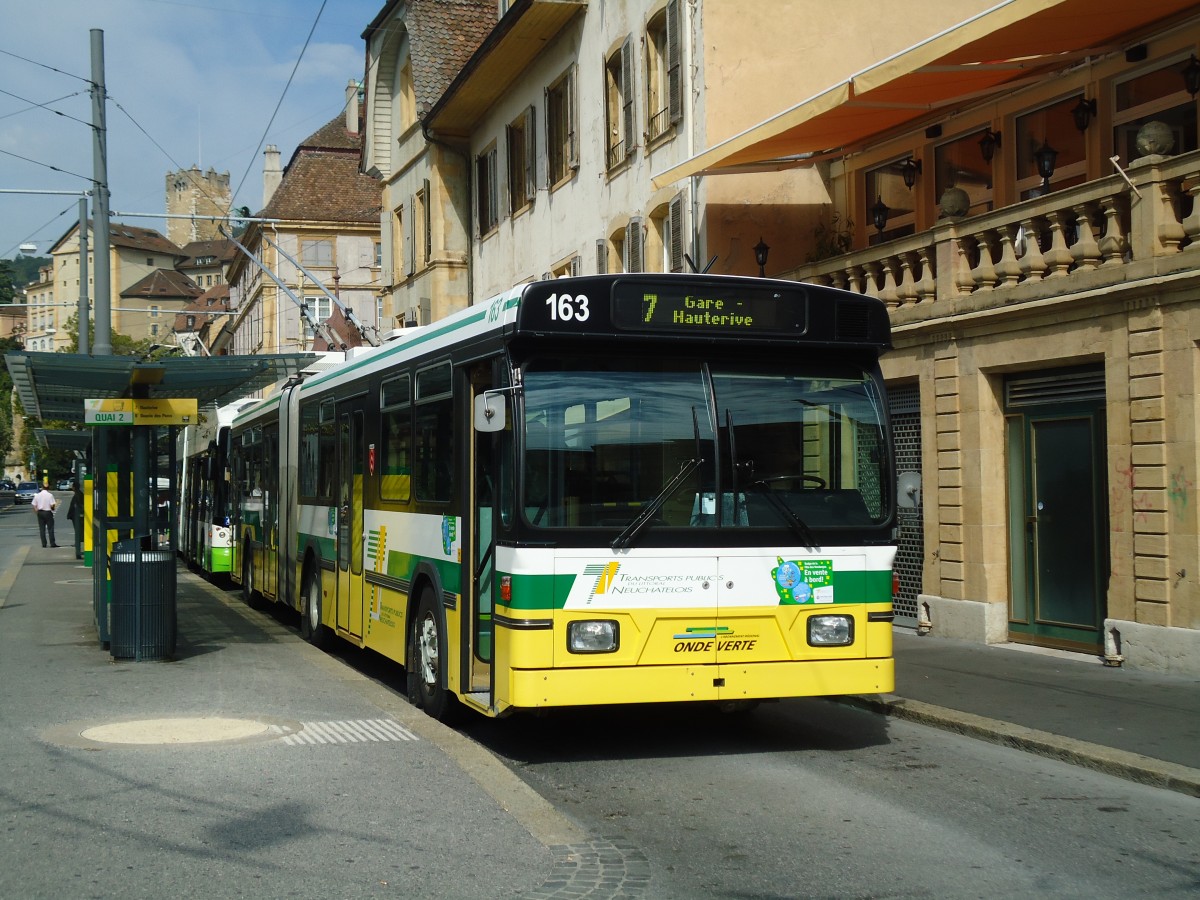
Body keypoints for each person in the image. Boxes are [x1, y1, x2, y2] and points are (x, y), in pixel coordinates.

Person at [32, 484, 59, 548]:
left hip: (40, 512)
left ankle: (44, 544)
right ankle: (52, 543)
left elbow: (34, 505)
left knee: (42, 529)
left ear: (42, 487)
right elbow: (52, 505)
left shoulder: (37, 495)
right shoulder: (50, 495)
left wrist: (37, 511)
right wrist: (53, 508)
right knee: (50, 528)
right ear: (48, 488)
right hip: (48, 512)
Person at [66, 485, 84, 559]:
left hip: (77, 516)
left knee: (78, 531)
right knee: (79, 531)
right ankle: (78, 544)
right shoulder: (79, 494)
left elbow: (74, 506)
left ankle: (78, 545)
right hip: (77, 515)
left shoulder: (77, 495)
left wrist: (69, 514)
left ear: (74, 487)